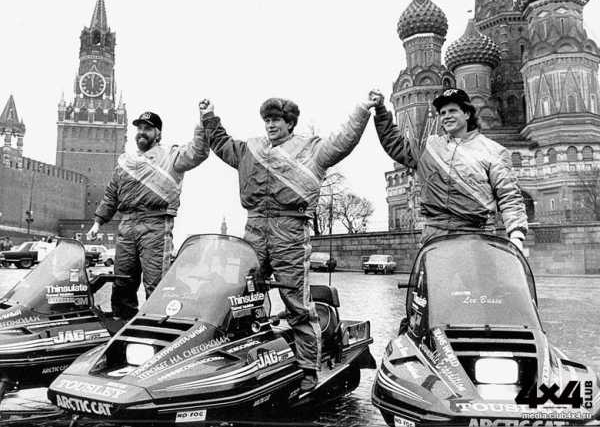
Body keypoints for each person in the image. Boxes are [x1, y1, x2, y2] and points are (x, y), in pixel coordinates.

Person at [198, 95, 377, 390]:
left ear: (290, 123)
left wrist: (361, 110)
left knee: (297, 304)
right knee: (240, 296)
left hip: (290, 231)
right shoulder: (250, 149)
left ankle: (308, 369)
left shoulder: (311, 149)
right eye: (267, 120)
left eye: (276, 120)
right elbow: (221, 142)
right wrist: (208, 117)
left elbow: (343, 141)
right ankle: (240, 360)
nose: (270, 125)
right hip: (254, 229)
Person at [87, 111, 209, 319]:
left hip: (156, 224)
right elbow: (111, 194)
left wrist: (204, 121)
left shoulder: (171, 156)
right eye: (139, 128)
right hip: (127, 225)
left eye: (148, 128)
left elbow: (197, 151)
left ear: (158, 133)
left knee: (156, 282)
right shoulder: (126, 161)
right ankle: (122, 322)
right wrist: (98, 222)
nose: (142, 132)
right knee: (122, 280)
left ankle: (158, 324)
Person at [372, 88, 528, 249]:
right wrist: (380, 110)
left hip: (477, 236)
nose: (447, 116)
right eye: (443, 113)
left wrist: (516, 234)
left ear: (467, 114)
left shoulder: (493, 151)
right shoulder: (430, 147)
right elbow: (396, 144)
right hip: (435, 237)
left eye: (453, 111)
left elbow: (509, 195)